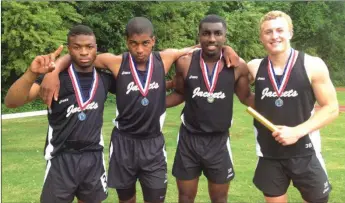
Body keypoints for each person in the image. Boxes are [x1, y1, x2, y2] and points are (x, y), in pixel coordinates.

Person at [39, 17, 240, 203]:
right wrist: (54, 71)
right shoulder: (116, 62)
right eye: (134, 44)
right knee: (126, 199)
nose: (140, 49)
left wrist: (228, 49)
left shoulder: (166, 58)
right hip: (123, 143)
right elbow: (82, 55)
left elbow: (204, 46)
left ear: (153, 41)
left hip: (153, 143)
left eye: (145, 43)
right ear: (127, 42)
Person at [4, 25, 116, 203]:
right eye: (77, 47)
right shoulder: (53, 79)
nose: (84, 52)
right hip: (60, 158)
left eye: (89, 47)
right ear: (69, 48)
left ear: (96, 48)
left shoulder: (105, 78)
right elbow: (11, 102)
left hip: (93, 157)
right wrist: (32, 73)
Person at [247, 10, 339, 203]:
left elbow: (331, 107)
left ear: (290, 32)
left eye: (280, 30)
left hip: (305, 151)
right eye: (268, 32)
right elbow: (231, 82)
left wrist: (297, 131)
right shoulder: (254, 67)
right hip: (269, 153)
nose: (274, 36)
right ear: (261, 37)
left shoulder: (312, 65)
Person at [166, 14, 254, 203]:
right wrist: (154, 104)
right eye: (206, 33)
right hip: (189, 139)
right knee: (185, 197)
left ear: (224, 35)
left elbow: (246, 97)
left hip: (219, 141)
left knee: (220, 198)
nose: (212, 38)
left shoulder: (237, 66)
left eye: (217, 33)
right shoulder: (185, 62)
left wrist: (286, 108)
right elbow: (180, 93)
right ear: (199, 35)